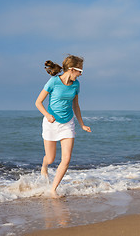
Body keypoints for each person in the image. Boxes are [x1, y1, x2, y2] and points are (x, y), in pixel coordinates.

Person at [35, 55, 91, 198]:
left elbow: (76, 105)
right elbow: (38, 102)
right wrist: (47, 115)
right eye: (80, 71)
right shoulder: (53, 82)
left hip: (68, 123)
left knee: (66, 160)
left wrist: (82, 124)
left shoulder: (76, 84)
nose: (81, 74)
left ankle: (53, 189)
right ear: (72, 69)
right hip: (51, 123)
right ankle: (44, 166)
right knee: (51, 158)